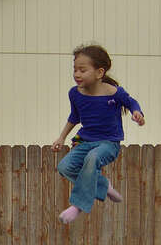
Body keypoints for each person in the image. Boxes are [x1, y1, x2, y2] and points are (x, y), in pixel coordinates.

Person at [51, 44, 145, 224]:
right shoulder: (75, 94)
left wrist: (137, 113)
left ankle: (77, 206)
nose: (77, 74)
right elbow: (74, 117)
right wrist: (61, 137)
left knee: (92, 158)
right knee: (65, 167)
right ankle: (103, 185)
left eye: (82, 70)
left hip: (108, 144)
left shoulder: (115, 93)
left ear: (99, 72)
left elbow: (132, 103)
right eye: (75, 69)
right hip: (85, 141)